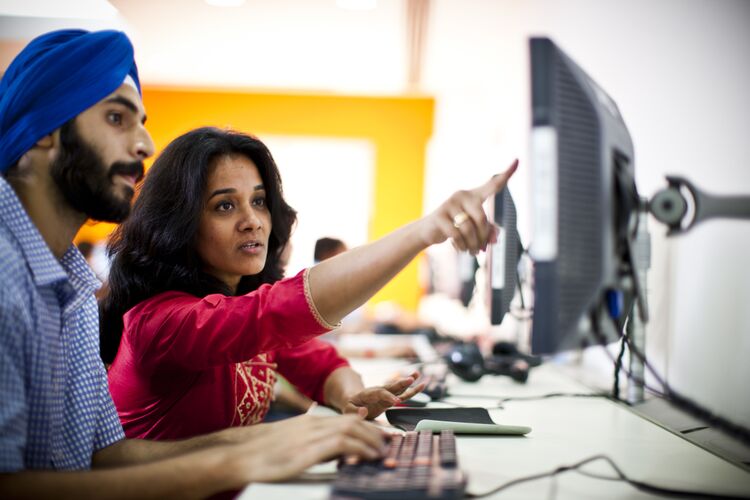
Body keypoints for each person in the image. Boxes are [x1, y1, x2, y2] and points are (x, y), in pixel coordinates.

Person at [0, 29, 387, 498]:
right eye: (117, 118)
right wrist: (242, 455)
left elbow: (102, 456)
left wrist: (263, 442)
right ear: (44, 130)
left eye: (259, 202)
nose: (144, 144)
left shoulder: (70, 286)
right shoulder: (9, 277)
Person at [101, 127, 517, 442]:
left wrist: (351, 395)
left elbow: (320, 365)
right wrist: (425, 231)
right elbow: (281, 310)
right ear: (180, 224)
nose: (253, 220)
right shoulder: (159, 322)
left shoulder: (236, 300)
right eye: (225, 205)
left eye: (259, 201)